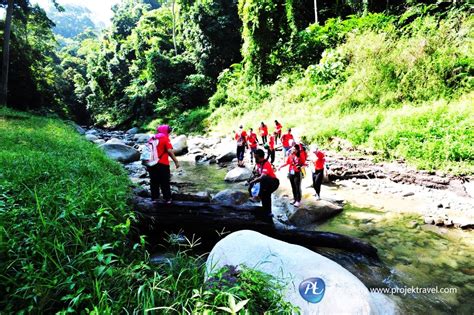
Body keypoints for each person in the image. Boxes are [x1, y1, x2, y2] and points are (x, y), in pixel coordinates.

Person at [147, 125, 180, 203]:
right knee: (164, 181)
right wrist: (176, 161)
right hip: (162, 163)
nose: (169, 133)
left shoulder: (152, 138)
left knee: (154, 181)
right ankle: (167, 199)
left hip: (151, 163)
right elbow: (169, 151)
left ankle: (154, 198)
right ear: (165, 131)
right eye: (168, 131)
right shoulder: (165, 138)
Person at [248, 149, 280, 217]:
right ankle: (267, 212)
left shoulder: (266, 163)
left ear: (259, 156)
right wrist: (251, 181)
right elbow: (258, 174)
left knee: (263, 181)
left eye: (255, 157)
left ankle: (258, 197)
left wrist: (253, 181)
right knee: (265, 195)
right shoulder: (258, 163)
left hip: (273, 182)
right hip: (265, 184)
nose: (254, 158)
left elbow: (263, 176)